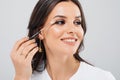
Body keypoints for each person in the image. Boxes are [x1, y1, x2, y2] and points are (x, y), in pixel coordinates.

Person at [10, 0, 116, 80]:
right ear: (40, 32)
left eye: (77, 22)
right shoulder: (25, 76)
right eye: (60, 22)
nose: (72, 30)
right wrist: (20, 76)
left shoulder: (102, 77)